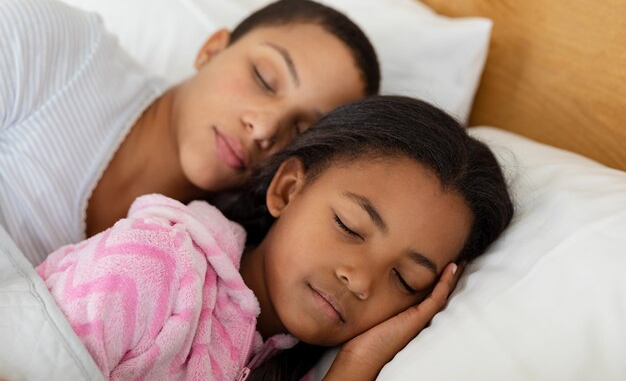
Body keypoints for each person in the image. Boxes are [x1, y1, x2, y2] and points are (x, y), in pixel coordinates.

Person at [36, 96, 514, 381]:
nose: (361, 279)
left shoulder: (298, 363)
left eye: (406, 279)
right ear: (288, 189)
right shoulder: (153, 263)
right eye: (349, 226)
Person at [0, 0, 380, 264]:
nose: (264, 128)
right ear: (211, 49)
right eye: (264, 78)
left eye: (300, 130)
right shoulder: (58, 48)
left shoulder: (208, 263)